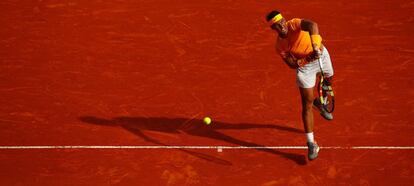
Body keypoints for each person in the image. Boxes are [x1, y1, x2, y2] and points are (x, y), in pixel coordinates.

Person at [266, 10, 334, 160]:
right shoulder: (280, 46)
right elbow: (291, 64)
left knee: (329, 79)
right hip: (305, 68)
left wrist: (315, 46)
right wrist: (307, 58)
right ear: (273, 29)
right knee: (306, 104)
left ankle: (321, 101)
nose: (282, 26)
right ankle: (311, 143)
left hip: (321, 55)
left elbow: (312, 25)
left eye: (282, 21)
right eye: (277, 26)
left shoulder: (294, 24)